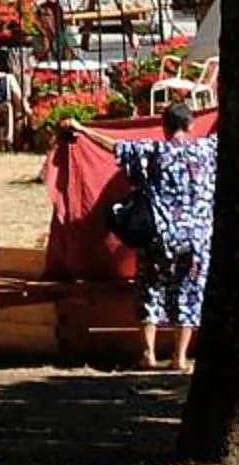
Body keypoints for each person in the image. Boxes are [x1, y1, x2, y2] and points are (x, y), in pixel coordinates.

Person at [60, 103, 217, 371]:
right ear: (190, 126)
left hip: (160, 235)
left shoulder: (154, 151)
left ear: (164, 128)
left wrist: (82, 129)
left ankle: (149, 354)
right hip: (198, 237)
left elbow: (116, 147)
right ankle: (180, 357)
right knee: (190, 293)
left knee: (150, 289)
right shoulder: (207, 150)